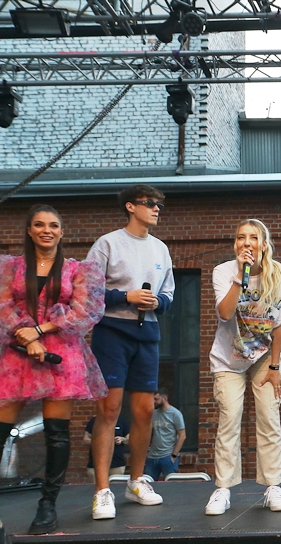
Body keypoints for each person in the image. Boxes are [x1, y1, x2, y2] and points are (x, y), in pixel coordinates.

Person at [0, 204, 107, 534]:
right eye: (39, 224)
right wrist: (24, 335)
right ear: (29, 231)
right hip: (17, 354)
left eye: (53, 225)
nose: (47, 230)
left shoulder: (78, 270)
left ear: (62, 232)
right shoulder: (12, 267)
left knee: (56, 434)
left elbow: (84, 311)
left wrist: (39, 331)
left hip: (61, 353)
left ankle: (47, 507)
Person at [86, 185, 175, 519]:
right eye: (149, 203)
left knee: (145, 411)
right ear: (130, 207)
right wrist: (126, 297)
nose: (156, 209)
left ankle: (136, 481)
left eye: (159, 204)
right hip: (111, 333)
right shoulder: (107, 243)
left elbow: (169, 294)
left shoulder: (161, 248)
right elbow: (88, 290)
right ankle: (102, 490)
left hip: (147, 333)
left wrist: (157, 302)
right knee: (109, 410)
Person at [204, 219, 281, 516]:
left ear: (264, 245)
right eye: (240, 237)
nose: (246, 242)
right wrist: (238, 279)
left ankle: (273, 486)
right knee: (229, 418)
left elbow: (279, 324)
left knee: (269, 417)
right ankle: (223, 488)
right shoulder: (223, 271)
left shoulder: (279, 273)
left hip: (264, 357)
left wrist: (275, 367)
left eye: (253, 237)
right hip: (228, 358)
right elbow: (225, 312)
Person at [144, 388, 186, 481]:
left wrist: (174, 455)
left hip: (167, 456)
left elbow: (182, 435)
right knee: (148, 484)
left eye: (156, 399)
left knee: (171, 485)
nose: (154, 402)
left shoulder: (175, 414)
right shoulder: (153, 413)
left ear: (164, 398)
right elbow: (148, 432)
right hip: (152, 456)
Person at [84, 416, 129, 483]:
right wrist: (100, 442)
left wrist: (122, 439)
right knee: (95, 488)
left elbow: (129, 439)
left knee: (116, 488)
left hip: (116, 464)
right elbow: (85, 439)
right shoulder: (94, 421)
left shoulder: (121, 421)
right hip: (95, 465)